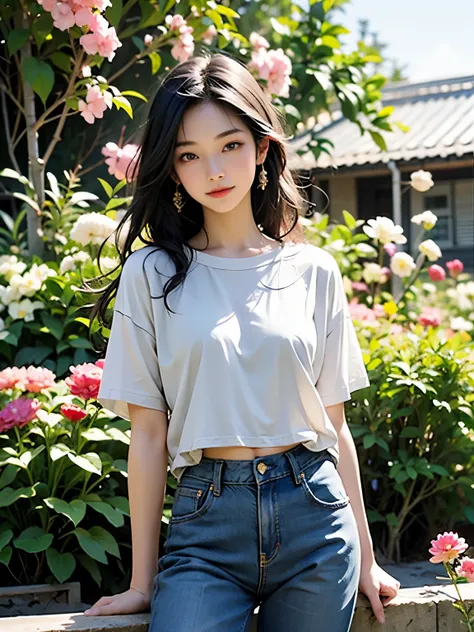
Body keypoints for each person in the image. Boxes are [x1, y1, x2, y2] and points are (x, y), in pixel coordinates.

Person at [84, 51, 400, 630]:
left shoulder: (314, 270)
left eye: (230, 145)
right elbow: (148, 434)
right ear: (172, 168)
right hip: (206, 525)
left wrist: (369, 558)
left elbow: (335, 427)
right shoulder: (152, 273)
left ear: (262, 148)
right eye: (189, 154)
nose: (214, 170)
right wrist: (140, 583)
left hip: (316, 519)